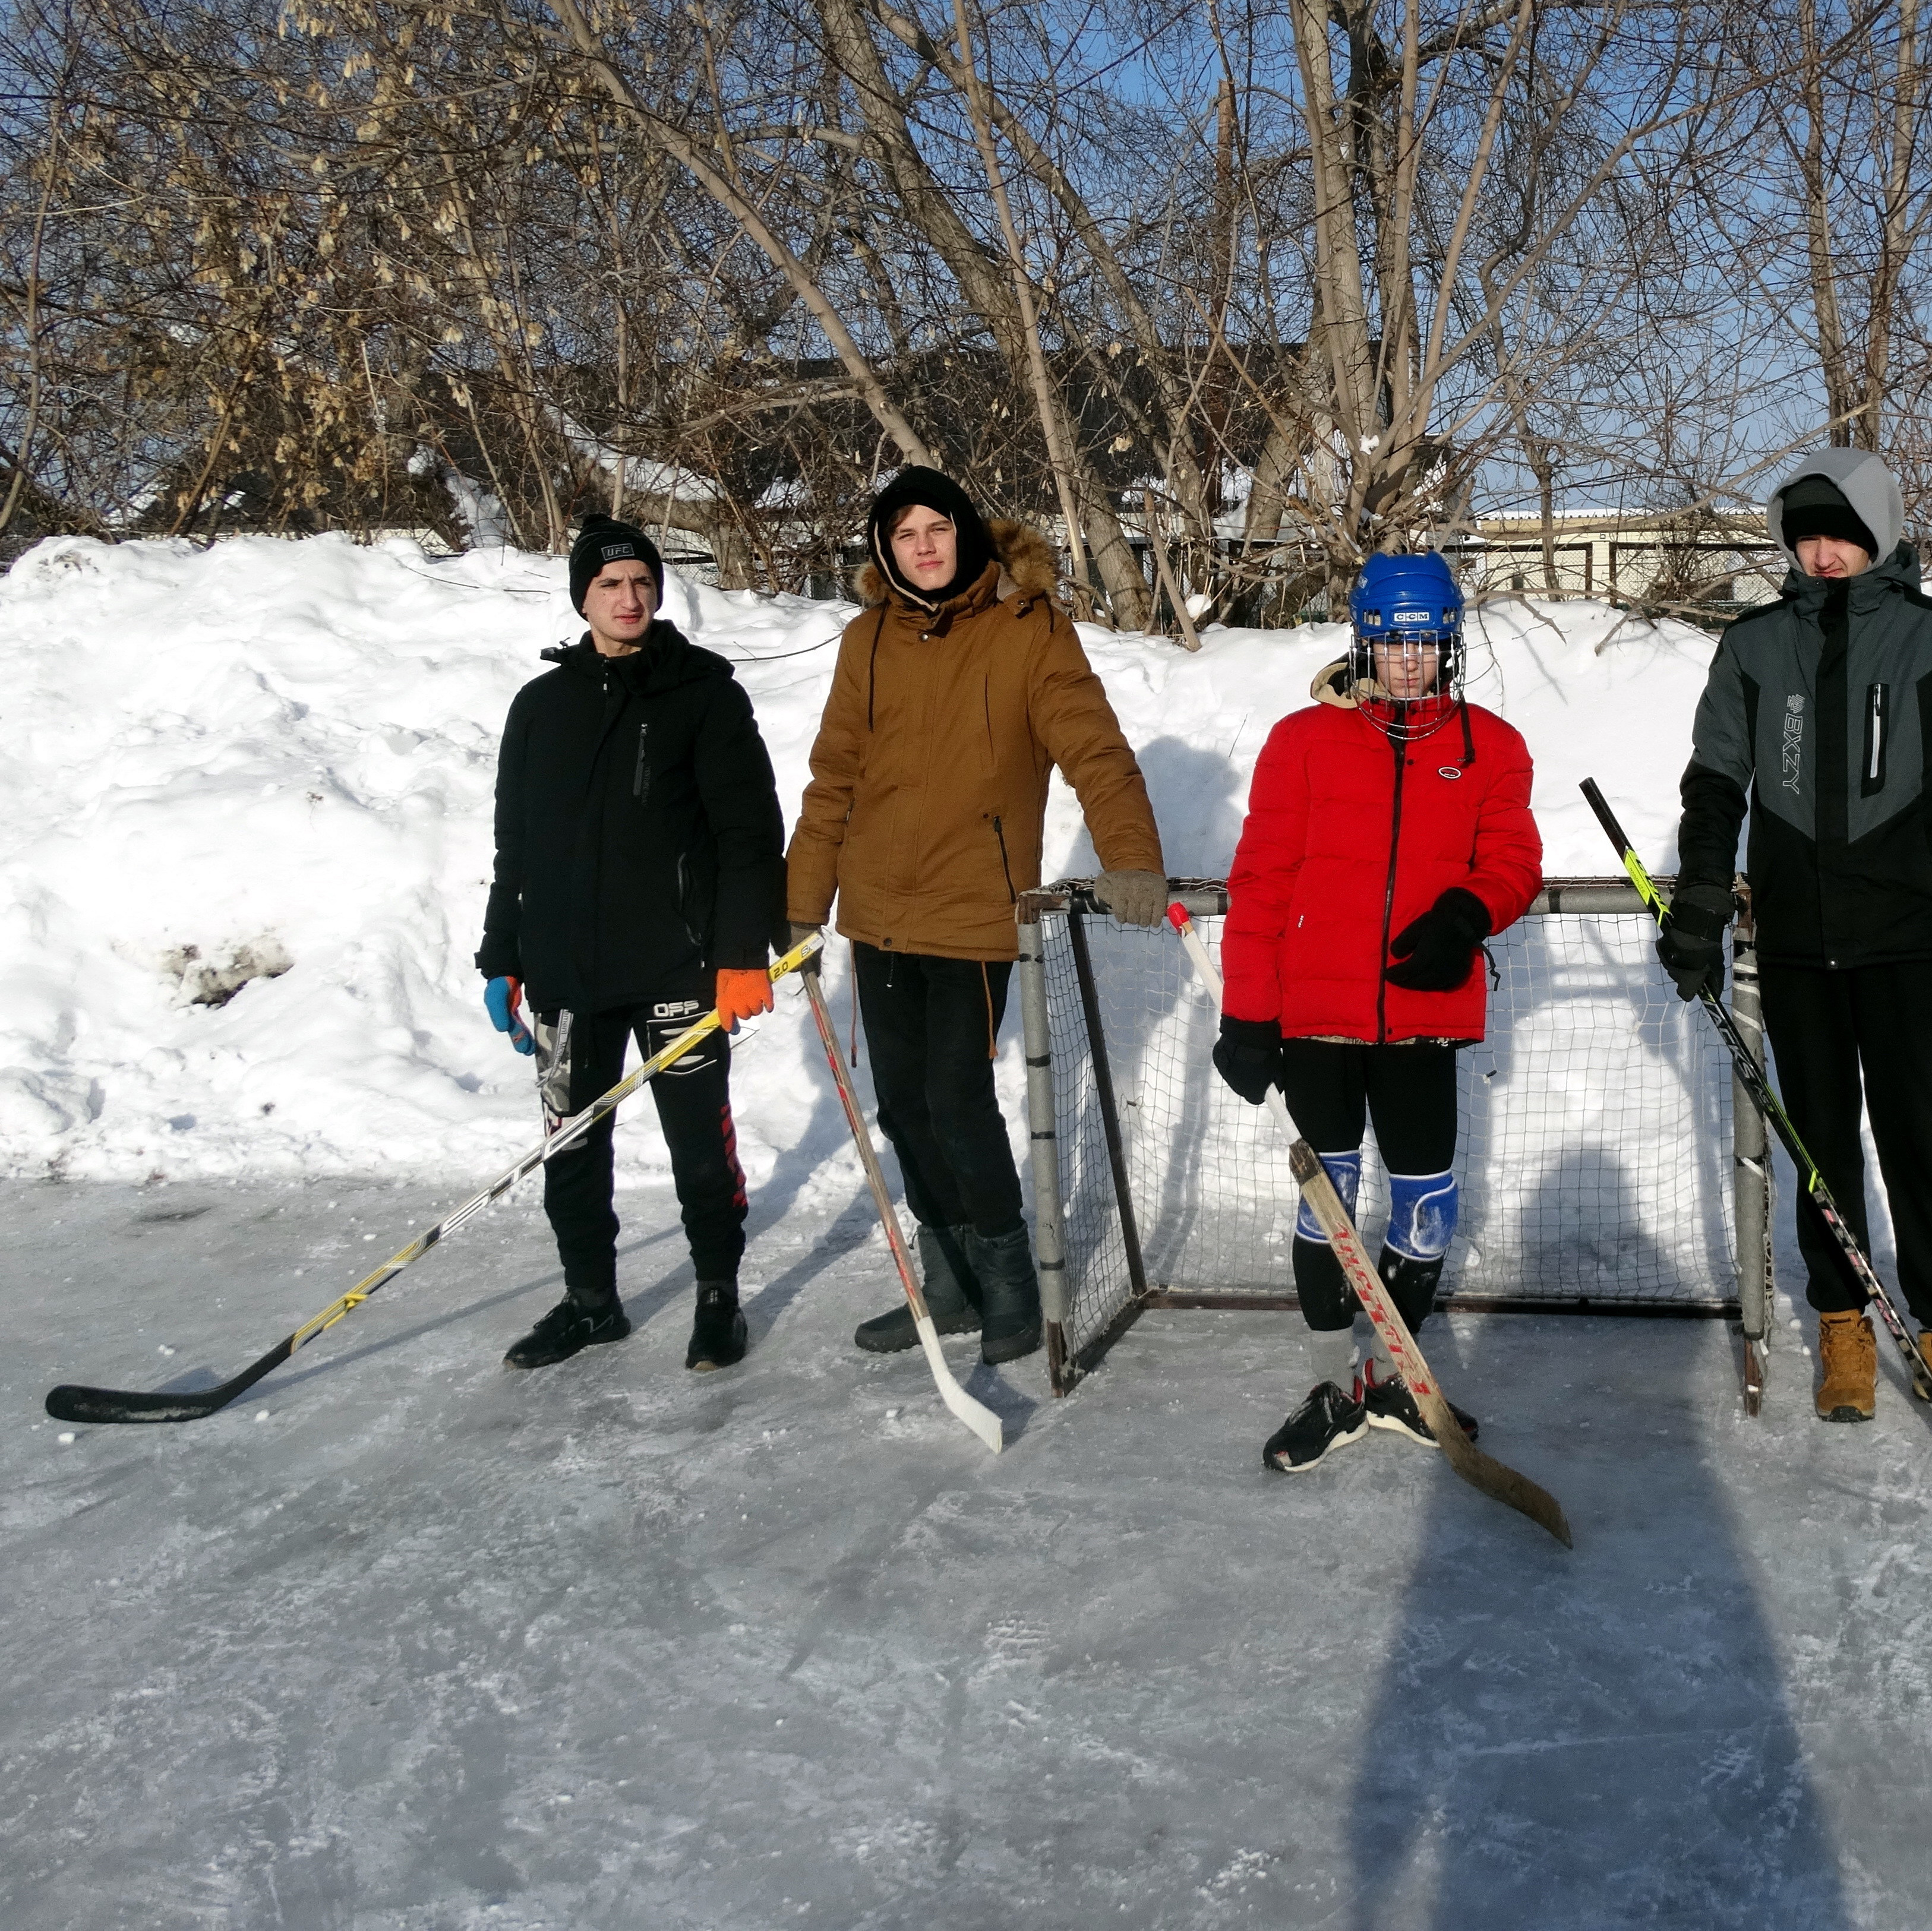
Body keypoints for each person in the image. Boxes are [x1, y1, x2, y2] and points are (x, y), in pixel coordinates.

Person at [1660, 448, 1932, 1430]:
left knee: (1919, 1150)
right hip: (1798, 947)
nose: (1824, 554)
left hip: (1911, 941)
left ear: (1881, 534)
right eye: (1808, 535)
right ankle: (1841, 1322)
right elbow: (1715, 779)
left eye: (1844, 536)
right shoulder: (1753, 644)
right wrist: (1698, 896)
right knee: (1819, 1151)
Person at [787, 466, 1166, 1368]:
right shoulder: (866, 641)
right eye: (903, 533)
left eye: (936, 528)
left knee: (956, 1101)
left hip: (974, 913)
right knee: (905, 1109)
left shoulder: (1029, 631)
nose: (922, 546)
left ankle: (1008, 1281)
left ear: (965, 533)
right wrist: (802, 906)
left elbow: (1094, 751)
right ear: (883, 549)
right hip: (876, 912)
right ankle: (948, 1280)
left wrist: (1133, 859)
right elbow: (833, 777)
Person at [1213, 552, 1545, 1473]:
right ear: (1363, 639)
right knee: (1327, 1205)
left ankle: (1401, 1376)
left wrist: (1468, 912)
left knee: (1425, 1206)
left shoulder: (1491, 745)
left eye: (1427, 643)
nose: (1409, 661)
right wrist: (1248, 1014)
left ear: (1451, 645)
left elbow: (1513, 856)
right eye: (1392, 641)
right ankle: (1330, 1384)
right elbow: (1262, 879)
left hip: (1421, 1016)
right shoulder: (1303, 741)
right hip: (1315, 1020)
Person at [476, 514, 787, 1374]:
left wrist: (737, 957)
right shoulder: (541, 707)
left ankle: (717, 1295)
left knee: (698, 1147)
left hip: (676, 967)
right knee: (570, 1149)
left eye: (642, 582)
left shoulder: (705, 694)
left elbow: (748, 837)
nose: (629, 597)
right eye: (610, 585)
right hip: (566, 972)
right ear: (583, 597)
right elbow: (518, 843)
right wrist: (503, 953)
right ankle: (589, 1301)